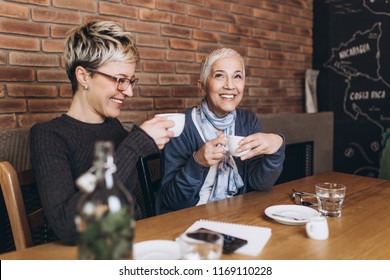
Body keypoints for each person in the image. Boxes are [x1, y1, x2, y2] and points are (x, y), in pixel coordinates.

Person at [29, 21, 174, 244]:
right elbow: (67, 226)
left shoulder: (114, 129)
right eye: (120, 80)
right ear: (84, 76)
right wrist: (135, 145)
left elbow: (134, 211)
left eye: (131, 81)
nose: (129, 92)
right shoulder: (49, 136)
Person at [157, 48, 285, 214]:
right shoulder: (182, 126)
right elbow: (172, 200)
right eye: (219, 75)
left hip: (237, 213)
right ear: (202, 86)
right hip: (189, 218)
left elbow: (259, 183)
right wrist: (197, 163)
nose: (230, 85)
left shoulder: (248, 120)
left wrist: (277, 148)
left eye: (237, 76)